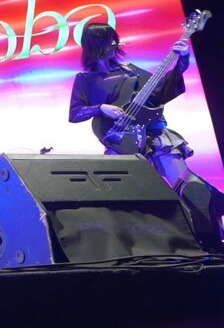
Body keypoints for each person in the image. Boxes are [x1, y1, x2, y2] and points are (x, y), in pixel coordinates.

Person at [69, 22, 224, 252]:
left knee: (187, 185)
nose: (113, 45)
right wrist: (101, 108)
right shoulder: (84, 79)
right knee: (119, 197)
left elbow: (162, 91)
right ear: (92, 46)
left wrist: (182, 62)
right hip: (120, 143)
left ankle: (211, 238)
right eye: (106, 41)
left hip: (152, 134)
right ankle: (139, 247)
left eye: (114, 40)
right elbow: (75, 113)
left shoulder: (131, 71)